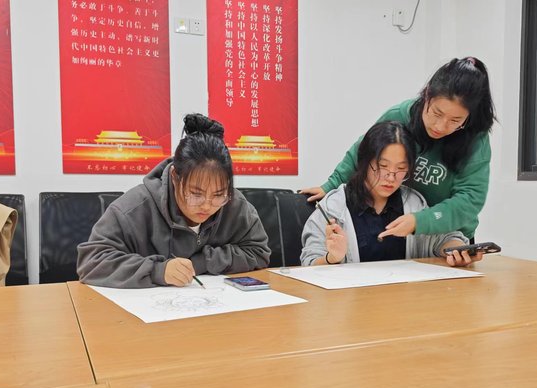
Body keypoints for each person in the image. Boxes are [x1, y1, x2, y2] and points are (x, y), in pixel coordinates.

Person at [300, 57, 496, 241]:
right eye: (437, 113)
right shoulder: (401, 116)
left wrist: (421, 220)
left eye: (455, 121)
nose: (440, 126)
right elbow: (364, 150)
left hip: (450, 234)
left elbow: (470, 199)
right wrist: (330, 185)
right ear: (427, 95)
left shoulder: (475, 139)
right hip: (403, 224)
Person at [77, 113, 271, 288]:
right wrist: (157, 271)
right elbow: (91, 263)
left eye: (218, 194)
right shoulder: (134, 208)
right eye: (195, 194)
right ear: (174, 177)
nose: (207, 205)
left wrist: (203, 261)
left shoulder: (235, 205)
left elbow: (258, 251)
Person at [301, 121, 481, 267]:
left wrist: (457, 250)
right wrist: (332, 258)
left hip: (403, 298)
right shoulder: (333, 209)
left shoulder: (414, 204)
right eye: (383, 167)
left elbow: (442, 239)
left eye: (401, 169)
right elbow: (308, 263)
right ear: (364, 162)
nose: (391, 178)